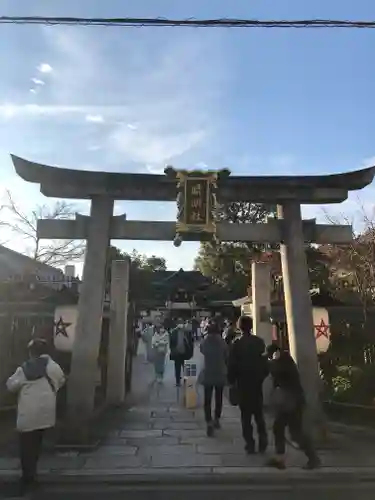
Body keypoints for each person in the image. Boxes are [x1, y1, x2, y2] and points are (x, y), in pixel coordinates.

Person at [6, 338, 65, 494]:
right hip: (45, 414)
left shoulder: (24, 369)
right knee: (37, 444)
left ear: (31, 352)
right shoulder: (53, 367)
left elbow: (10, 386)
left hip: (27, 414)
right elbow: (61, 380)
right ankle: (33, 475)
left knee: (26, 446)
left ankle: (27, 477)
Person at [266, 343, 321, 470]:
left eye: (270, 356)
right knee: (280, 428)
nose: (270, 358)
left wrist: (270, 365)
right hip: (289, 402)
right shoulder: (283, 361)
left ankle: (313, 458)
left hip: (293, 402)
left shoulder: (283, 361)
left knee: (294, 433)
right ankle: (281, 459)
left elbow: (279, 374)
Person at [228, 315, 269, 454]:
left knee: (245, 417)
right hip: (256, 381)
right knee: (258, 414)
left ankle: (250, 443)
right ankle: (263, 440)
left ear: (239, 327)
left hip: (242, 382)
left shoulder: (236, 344)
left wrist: (231, 381)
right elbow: (265, 361)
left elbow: (232, 365)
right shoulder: (259, 342)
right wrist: (263, 375)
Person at [199, 321, 228, 437]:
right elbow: (226, 354)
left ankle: (208, 421)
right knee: (219, 397)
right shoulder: (222, 342)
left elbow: (202, 350)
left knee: (207, 399)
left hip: (208, 373)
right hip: (220, 372)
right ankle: (217, 418)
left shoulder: (205, 342)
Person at [169, 318, 194, 386]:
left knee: (185, 366)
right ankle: (178, 381)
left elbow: (191, 342)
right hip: (177, 352)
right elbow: (171, 342)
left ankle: (186, 379)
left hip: (185, 352)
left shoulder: (187, 332)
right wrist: (172, 349)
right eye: (179, 323)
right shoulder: (174, 332)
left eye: (181, 323)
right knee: (177, 367)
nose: (180, 325)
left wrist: (191, 351)